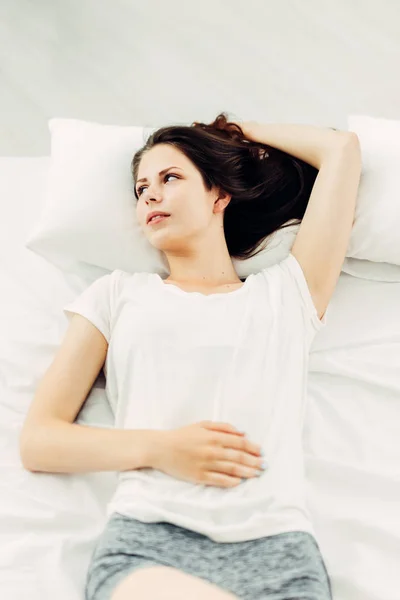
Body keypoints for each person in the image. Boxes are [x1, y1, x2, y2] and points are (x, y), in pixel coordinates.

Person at [21, 113, 362, 599]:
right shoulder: (116, 295)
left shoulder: (287, 296)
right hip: (152, 542)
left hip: (277, 553)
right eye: (141, 189)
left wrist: (233, 130)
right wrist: (162, 448)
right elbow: (40, 441)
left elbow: (342, 152)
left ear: (219, 195)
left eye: (170, 178)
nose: (150, 196)